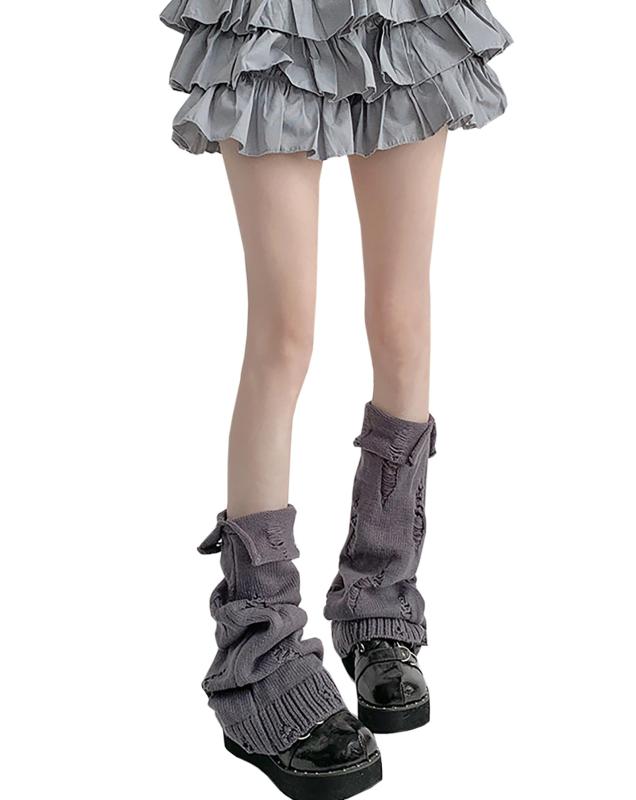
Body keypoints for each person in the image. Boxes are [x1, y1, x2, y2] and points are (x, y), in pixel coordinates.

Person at [161, 2, 511, 797]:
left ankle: (379, 602)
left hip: (398, 17)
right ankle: (260, 655)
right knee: (284, 333)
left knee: (401, 318)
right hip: (269, 23)